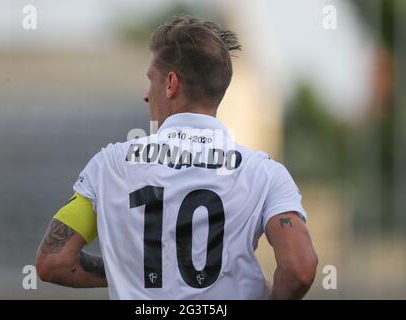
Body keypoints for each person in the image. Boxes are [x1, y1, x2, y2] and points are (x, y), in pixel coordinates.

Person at [36, 14, 318, 300]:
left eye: (151, 79)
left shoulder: (110, 164)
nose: (147, 94)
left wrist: (136, 270)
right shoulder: (265, 172)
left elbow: (54, 259)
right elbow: (299, 270)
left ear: (171, 83)